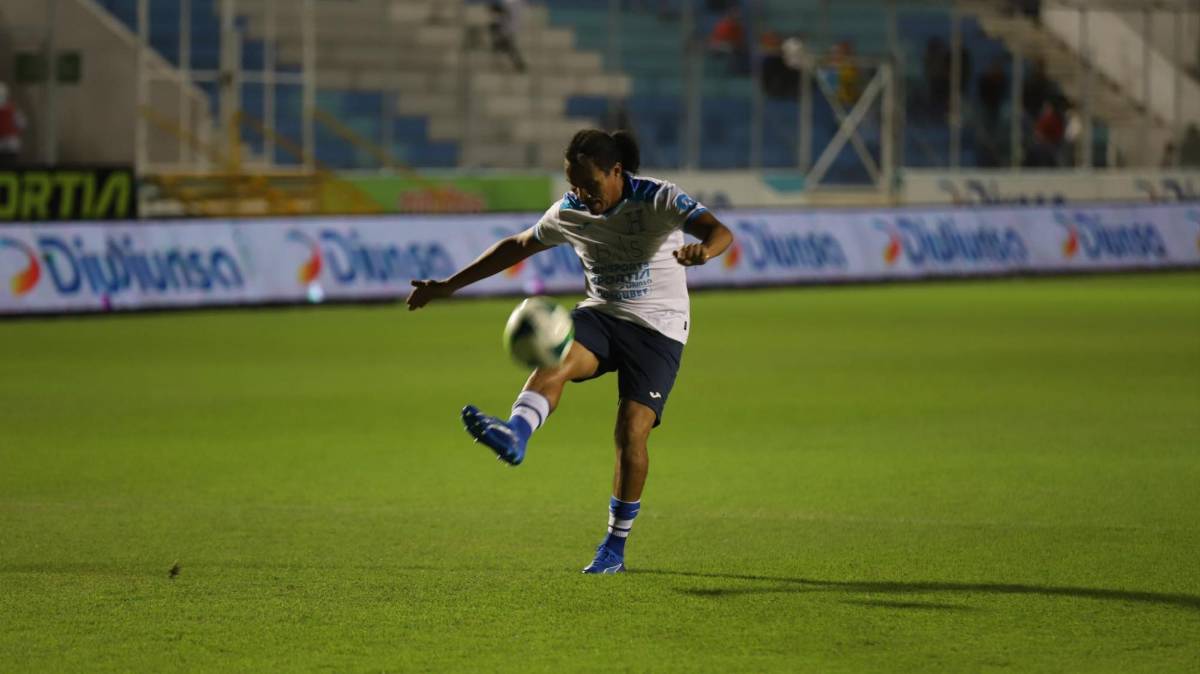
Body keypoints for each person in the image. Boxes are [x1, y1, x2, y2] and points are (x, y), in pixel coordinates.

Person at [406, 130, 734, 574]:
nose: (581, 194)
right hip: (601, 315)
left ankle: (614, 548)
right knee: (554, 357)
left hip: (659, 328)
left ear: (616, 172)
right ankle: (516, 435)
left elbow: (719, 232)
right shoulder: (570, 212)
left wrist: (705, 252)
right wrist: (448, 286)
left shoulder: (658, 198)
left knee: (631, 431)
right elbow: (518, 246)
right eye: (574, 185)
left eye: (589, 185)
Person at [488, 0, 526, 72]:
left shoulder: (514, 5)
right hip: (506, 30)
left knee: (508, 47)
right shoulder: (509, 6)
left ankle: (519, 64)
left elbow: (508, 15)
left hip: (508, 30)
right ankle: (518, 64)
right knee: (507, 47)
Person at [0, 82, 27, 166]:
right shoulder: (13, 110)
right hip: (11, 145)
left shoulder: (12, 111)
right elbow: (22, 124)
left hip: (10, 145)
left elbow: (22, 124)